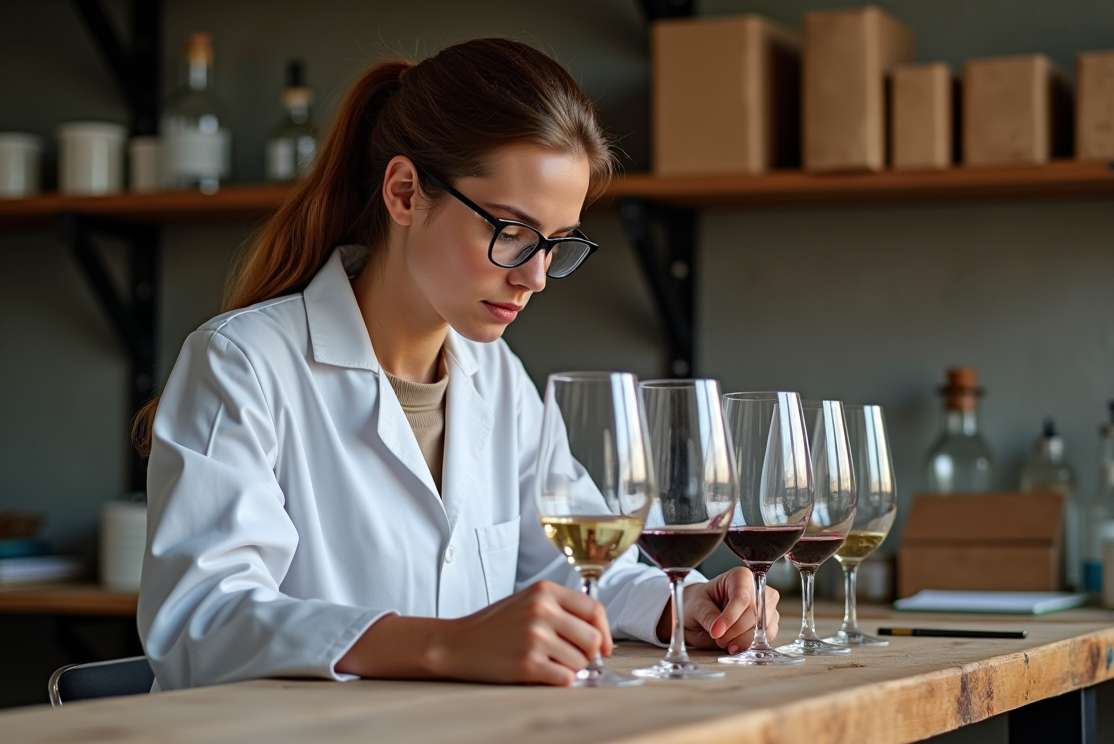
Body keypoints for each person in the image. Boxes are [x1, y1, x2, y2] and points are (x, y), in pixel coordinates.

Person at [136, 39, 780, 690]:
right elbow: (202, 619)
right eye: (511, 232)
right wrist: (445, 646)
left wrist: (682, 606)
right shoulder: (242, 363)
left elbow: (573, 566)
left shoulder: (497, 379)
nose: (536, 277)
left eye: (556, 245)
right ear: (406, 193)